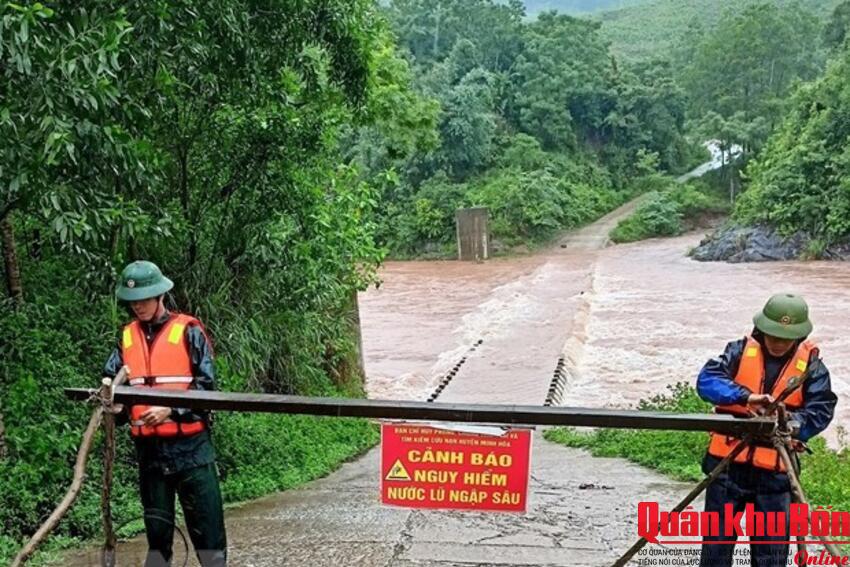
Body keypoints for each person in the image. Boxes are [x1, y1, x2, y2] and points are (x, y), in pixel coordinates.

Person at [696, 293, 837, 567]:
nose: (778, 342)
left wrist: (790, 423)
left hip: (774, 474)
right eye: (773, 335)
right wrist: (745, 397)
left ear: (798, 337)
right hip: (727, 467)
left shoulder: (812, 368)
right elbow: (707, 381)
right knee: (715, 551)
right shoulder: (737, 352)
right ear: (761, 329)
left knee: (770, 556)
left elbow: (820, 410)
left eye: (785, 338)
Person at [103, 260, 227, 567]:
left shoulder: (188, 331)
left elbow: (207, 387)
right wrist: (116, 407)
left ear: (160, 296)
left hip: (192, 449)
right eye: (133, 301)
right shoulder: (126, 338)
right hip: (150, 453)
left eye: (145, 299)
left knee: (208, 535)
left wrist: (171, 408)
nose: (138, 306)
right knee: (157, 539)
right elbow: (112, 387)